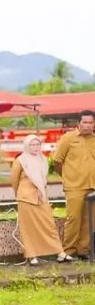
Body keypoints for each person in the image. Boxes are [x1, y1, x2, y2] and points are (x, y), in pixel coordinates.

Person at [13, 135, 74, 265]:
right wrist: (20, 195)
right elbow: (14, 181)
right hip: (26, 198)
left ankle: (60, 252)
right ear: (27, 146)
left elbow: (43, 180)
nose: (35, 147)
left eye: (37, 145)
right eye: (32, 145)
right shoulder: (20, 161)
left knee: (49, 226)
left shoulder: (43, 160)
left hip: (42, 197)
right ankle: (32, 255)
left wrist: (43, 193)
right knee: (28, 228)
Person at [52, 110, 95, 259]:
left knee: (90, 220)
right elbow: (57, 161)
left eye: (91, 123)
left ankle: (84, 251)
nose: (88, 125)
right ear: (79, 123)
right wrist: (67, 177)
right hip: (74, 187)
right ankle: (67, 251)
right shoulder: (68, 138)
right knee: (73, 219)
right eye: (85, 122)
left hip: (92, 186)